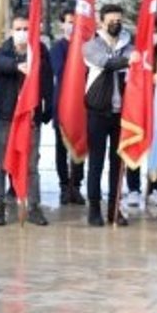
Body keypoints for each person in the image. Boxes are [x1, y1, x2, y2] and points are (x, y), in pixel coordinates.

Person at [0, 11, 54, 226]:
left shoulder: (40, 51)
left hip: (31, 116)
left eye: (26, 29)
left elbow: (47, 81)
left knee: (31, 164)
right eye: (18, 29)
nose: (22, 33)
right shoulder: (2, 51)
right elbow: (0, 62)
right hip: (8, 117)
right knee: (3, 164)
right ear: (11, 31)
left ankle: (33, 207)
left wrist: (47, 109)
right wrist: (19, 65)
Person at [83, 4, 137, 227]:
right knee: (96, 162)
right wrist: (128, 61)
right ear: (101, 22)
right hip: (97, 111)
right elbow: (105, 63)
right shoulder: (91, 46)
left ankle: (115, 209)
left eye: (119, 19)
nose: (116, 23)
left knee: (118, 163)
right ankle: (94, 209)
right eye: (111, 19)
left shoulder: (128, 46)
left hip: (121, 113)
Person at [48, 11, 85, 206]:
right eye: (69, 22)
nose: (72, 25)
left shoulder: (86, 46)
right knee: (61, 148)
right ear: (62, 25)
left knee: (80, 146)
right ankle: (64, 186)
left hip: (82, 105)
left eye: (75, 22)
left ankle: (76, 185)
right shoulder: (57, 48)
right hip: (62, 103)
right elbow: (61, 71)